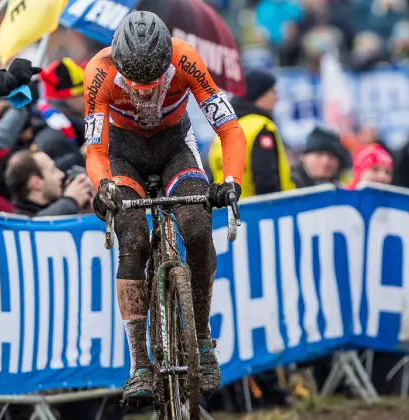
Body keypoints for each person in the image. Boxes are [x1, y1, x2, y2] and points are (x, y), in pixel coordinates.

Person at [84, 11, 247, 405]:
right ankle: (140, 364)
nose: (144, 91)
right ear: (119, 64)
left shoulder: (186, 57)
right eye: (135, 83)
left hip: (175, 148)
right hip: (123, 157)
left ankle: (203, 340)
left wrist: (231, 182)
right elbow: (95, 150)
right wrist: (104, 186)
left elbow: (229, 128)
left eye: (153, 80)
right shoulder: (99, 71)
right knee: (134, 239)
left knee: (195, 225)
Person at [208, 69, 295, 197]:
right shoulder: (261, 127)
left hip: (229, 211)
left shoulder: (223, 131)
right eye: (273, 92)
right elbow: (266, 181)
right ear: (259, 95)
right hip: (261, 213)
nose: (277, 99)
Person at [5, 150, 94, 217]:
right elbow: (37, 226)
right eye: (53, 170)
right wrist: (71, 201)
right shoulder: (20, 225)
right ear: (36, 183)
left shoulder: (53, 206)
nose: (61, 174)